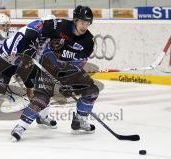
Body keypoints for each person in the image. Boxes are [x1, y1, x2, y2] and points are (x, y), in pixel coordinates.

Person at [10, 5, 102, 141]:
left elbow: (80, 62)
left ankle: (79, 121)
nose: (84, 26)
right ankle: (20, 126)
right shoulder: (59, 26)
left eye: (87, 23)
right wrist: (27, 43)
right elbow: (36, 26)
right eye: (82, 22)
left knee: (92, 91)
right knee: (42, 98)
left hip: (66, 70)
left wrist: (67, 79)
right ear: (75, 20)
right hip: (45, 66)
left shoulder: (88, 41)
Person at [0, 15, 58, 134]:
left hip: (26, 62)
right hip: (7, 61)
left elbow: (43, 55)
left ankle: (43, 117)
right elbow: (13, 55)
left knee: (42, 89)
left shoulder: (48, 35)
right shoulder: (27, 33)